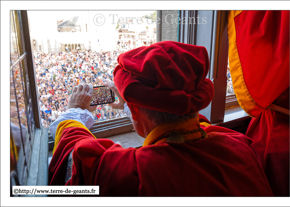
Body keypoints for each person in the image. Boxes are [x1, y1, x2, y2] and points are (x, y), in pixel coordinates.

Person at [48, 41, 272, 196]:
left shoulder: (134, 175)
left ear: (135, 111)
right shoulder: (238, 145)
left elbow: (75, 157)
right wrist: (130, 104)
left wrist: (75, 110)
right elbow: (191, 120)